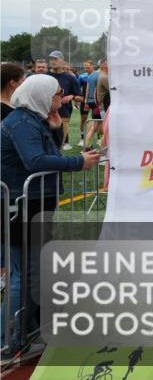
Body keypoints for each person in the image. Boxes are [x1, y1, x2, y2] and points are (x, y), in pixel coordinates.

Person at [0, 75, 99, 357]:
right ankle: (7, 340)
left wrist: (55, 129)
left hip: (33, 203)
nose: (62, 98)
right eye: (57, 94)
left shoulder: (33, 120)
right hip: (21, 205)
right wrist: (78, 162)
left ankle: (27, 329)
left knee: (35, 270)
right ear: (41, 95)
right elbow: (35, 161)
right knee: (24, 274)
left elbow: (46, 152)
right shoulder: (21, 123)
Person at [46, 51, 82, 150]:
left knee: (59, 147)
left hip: (63, 116)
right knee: (45, 145)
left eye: (56, 59)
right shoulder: (45, 76)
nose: (53, 61)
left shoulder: (70, 78)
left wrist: (72, 96)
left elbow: (80, 98)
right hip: (45, 115)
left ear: (62, 61)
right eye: (51, 59)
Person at [77, 60, 95, 146]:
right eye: (85, 67)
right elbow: (77, 89)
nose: (86, 69)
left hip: (96, 101)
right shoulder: (82, 77)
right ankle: (82, 138)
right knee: (84, 119)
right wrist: (77, 100)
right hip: (85, 101)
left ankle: (99, 139)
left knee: (97, 120)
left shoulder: (98, 75)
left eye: (88, 67)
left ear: (92, 66)